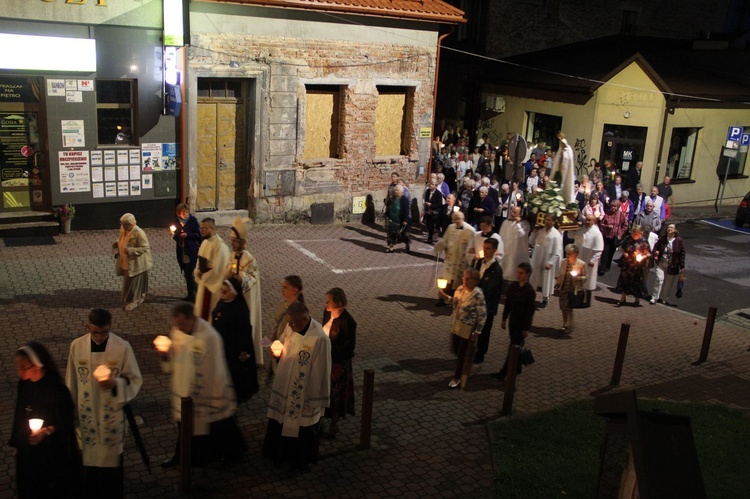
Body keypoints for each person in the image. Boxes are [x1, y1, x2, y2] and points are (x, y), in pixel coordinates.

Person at [66, 308, 142, 498]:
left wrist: (115, 383)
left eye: (104, 332)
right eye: (95, 332)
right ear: (87, 326)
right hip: (87, 414)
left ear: (110, 327)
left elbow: (134, 378)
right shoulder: (77, 346)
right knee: (88, 461)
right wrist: (71, 409)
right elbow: (72, 380)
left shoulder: (122, 347)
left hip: (111, 414)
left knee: (111, 465)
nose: (99, 337)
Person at [161, 302, 246, 469]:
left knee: (221, 426)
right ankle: (182, 456)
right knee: (186, 427)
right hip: (183, 390)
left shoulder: (209, 336)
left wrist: (197, 392)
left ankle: (234, 455)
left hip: (209, 391)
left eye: (181, 324)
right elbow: (173, 362)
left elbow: (213, 368)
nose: (178, 328)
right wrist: (164, 354)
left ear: (192, 318)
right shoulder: (178, 332)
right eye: (176, 324)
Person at [263, 302, 331, 471]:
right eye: (289, 322)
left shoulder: (320, 338)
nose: (291, 326)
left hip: (304, 394)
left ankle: (298, 462)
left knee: (301, 429)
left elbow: (321, 371)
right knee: (280, 423)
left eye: (294, 323)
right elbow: (281, 342)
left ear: (305, 318)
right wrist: (275, 352)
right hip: (285, 384)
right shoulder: (291, 325)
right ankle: (278, 455)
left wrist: (314, 397)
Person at [11, 342, 80, 499]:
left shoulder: (57, 389)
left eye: (24, 367)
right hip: (28, 449)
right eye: (18, 367)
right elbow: (19, 414)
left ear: (37, 365)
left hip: (51, 451)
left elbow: (65, 421)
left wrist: (46, 431)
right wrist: (17, 444)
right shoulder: (23, 384)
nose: (19, 372)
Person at [212, 278, 259, 403]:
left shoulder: (240, 309)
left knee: (235, 373)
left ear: (234, 292)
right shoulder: (222, 302)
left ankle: (238, 395)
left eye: (226, 291)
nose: (223, 293)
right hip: (222, 344)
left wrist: (243, 350)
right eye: (222, 291)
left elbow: (244, 332)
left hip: (234, 347)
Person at [438, 268, 486, 388]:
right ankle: (466, 367)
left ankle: (457, 377)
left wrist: (477, 332)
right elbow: (455, 302)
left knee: (461, 353)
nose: (464, 280)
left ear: (475, 281)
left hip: (467, 328)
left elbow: (482, 315)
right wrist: (445, 296)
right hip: (457, 325)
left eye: (468, 278)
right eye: (464, 277)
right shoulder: (460, 289)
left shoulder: (478, 295)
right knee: (454, 349)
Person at [225, 217, 263, 366]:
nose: (232, 243)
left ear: (241, 242)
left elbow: (254, 278)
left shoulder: (249, 259)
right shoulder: (232, 255)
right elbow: (227, 271)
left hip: (246, 299)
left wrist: (241, 277)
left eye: (234, 241)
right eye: (231, 240)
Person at [321, 288, 357, 439]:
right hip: (325, 360)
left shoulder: (348, 322)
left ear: (339, 303)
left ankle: (333, 424)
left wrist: (330, 349)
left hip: (338, 365)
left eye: (329, 301)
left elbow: (349, 348)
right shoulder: (327, 312)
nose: (326, 303)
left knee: (335, 395)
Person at [492, 263, 536, 381]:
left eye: (521, 273)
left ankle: (504, 373)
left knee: (514, 347)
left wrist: (526, 328)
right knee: (514, 346)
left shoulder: (529, 291)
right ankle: (516, 368)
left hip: (521, 323)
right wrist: (504, 318)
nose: (518, 275)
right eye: (517, 272)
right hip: (513, 321)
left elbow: (529, 311)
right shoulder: (513, 287)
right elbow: (508, 304)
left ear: (528, 274)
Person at [471, 239, 503, 364]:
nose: (485, 250)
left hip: (487, 307)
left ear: (494, 251)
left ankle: (480, 354)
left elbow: (490, 290)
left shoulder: (496, 270)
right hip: (474, 303)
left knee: (484, 331)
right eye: (484, 247)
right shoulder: (479, 263)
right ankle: (470, 350)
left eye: (488, 248)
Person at [113, 213, 153, 311]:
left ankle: (135, 300)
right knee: (128, 281)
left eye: (126, 224)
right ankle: (129, 299)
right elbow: (122, 239)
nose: (124, 226)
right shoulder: (123, 230)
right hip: (126, 261)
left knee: (135, 283)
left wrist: (130, 250)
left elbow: (145, 247)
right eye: (123, 224)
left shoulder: (139, 232)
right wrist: (117, 243)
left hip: (137, 263)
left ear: (132, 223)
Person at [434, 211, 475, 306]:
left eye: (459, 219)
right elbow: (445, 240)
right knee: (446, 281)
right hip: (450, 260)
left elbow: (472, 246)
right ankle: (442, 298)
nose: (457, 221)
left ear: (463, 219)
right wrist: (440, 247)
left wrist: (470, 259)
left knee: (459, 282)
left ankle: (455, 300)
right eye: (455, 219)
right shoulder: (450, 228)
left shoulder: (470, 230)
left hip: (461, 261)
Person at [194, 218, 230, 321]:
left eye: (205, 228)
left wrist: (204, 276)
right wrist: (197, 270)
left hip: (213, 287)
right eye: (201, 228)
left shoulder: (220, 246)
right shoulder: (205, 242)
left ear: (213, 229)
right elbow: (200, 259)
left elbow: (219, 269)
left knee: (210, 313)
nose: (202, 231)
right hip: (204, 282)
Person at [530, 213, 563, 306]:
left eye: (549, 220)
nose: (547, 222)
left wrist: (551, 262)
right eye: (546, 219)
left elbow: (557, 251)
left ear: (553, 222)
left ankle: (545, 297)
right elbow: (531, 242)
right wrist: (534, 232)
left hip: (548, 258)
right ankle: (531, 295)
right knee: (534, 276)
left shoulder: (556, 235)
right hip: (537, 257)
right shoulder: (540, 231)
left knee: (547, 278)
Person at [555, 244, 587, 333]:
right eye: (567, 253)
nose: (567, 255)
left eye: (569, 253)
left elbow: (585, 277)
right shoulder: (564, 262)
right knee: (563, 307)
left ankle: (570, 323)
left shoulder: (581, 264)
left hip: (573, 289)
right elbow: (560, 273)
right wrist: (558, 282)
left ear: (575, 254)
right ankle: (565, 324)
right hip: (564, 288)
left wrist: (578, 278)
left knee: (569, 307)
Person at [616, 225, 652, 306]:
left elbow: (649, 253)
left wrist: (643, 256)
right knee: (624, 280)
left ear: (640, 233)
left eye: (635, 234)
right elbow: (622, 247)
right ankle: (623, 298)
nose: (633, 235)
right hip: (627, 264)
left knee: (637, 282)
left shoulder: (643, 242)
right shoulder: (629, 239)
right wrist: (624, 253)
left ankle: (637, 299)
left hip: (638, 266)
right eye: (633, 233)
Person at [651, 223, 686, 305]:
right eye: (668, 227)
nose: (669, 228)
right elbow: (655, 247)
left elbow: (682, 253)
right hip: (661, 262)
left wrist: (682, 265)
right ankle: (654, 298)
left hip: (672, 264)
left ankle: (664, 298)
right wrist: (655, 253)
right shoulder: (663, 239)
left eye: (672, 227)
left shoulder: (679, 240)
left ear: (675, 230)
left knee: (668, 282)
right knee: (659, 279)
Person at [172, 203, 201, 302]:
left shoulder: (193, 221)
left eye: (186, 212)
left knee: (189, 273)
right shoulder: (177, 222)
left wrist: (187, 235)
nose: (185, 215)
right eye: (182, 213)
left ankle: (197, 293)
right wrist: (176, 234)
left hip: (191, 250)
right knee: (186, 273)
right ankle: (190, 294)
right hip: (182, 251)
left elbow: (198, 235)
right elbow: (176, 236)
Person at [499, 206, 531, 283]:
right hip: (507, 248)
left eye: (515, 212)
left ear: (520, 214)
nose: (512, 213)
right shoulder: (506, 222)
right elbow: (501, 235)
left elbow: (522, 234)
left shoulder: (524, 224)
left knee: (514, 268)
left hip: (517, 250)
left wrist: (518, 224)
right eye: (511, 211)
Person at [573, 214, 604, 291]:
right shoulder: (581, 229)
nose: (587, 221)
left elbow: (599, 249)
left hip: (589, 257)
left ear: (594, 221)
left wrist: (593, 260)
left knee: (587, 278)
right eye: (586, 219)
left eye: (589, 220)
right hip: (579, 254)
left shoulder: (597, 233)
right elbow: (572, 236)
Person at [599, 200, 629, 276]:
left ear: (618, 207)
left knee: (611, 253)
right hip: (606, 235)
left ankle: (608, 266)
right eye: (612, 206)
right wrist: (606, 226)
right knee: (604, 252)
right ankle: (602, 268)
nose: (613, 208)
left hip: (615, 237)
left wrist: (620, 234)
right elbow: (602, 223)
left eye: (615, 206)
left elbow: (625, 225)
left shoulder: (621, 215)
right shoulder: (607, 214)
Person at [551, 132, 576, 204]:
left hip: (565, 170)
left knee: (565, 184)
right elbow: (557, 160)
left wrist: (563, 155)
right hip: (559, 169)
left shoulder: (568, 150)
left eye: (562, 143)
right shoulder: (560, 150)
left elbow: (568, 160)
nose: (561, 145)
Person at [386, 184, 411, 253]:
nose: (395, 191)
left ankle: (407, 245)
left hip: (401, 219)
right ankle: (391, 247)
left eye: (397, 190)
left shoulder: (404, 199)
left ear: (401, 192)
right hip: (392, 219)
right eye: (395, 190)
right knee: (391, 234)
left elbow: (407, 210)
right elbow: (388, 207)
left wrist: (406, 220)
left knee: (404, 234)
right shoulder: (391, 198)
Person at [423, 180, 444, 244]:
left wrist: (431, 205)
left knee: (432, 225)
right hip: (428, 210)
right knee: (428, 224)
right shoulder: (428, 191)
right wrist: (426, 204)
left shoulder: (438, 193)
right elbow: (426, 199)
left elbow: (439, 204)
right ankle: (430, 236)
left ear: (435, 186)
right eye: (430, 184)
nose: (430, 186)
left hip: (434, 211)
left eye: (432, 184)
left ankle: (430, 238)